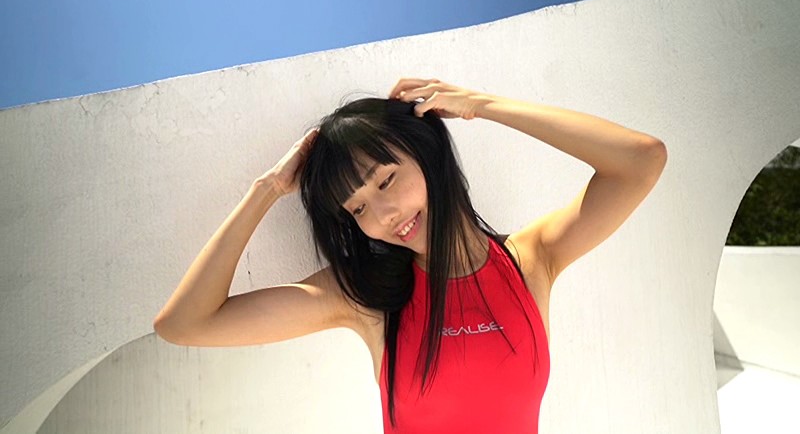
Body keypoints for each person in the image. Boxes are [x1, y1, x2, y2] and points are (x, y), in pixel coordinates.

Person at [154, 78, 667, 433]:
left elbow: (641, 160)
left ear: (425, 153)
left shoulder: (531, 260)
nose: (383, 214)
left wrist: (481, 104)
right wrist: (265, 190)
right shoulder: (368, 298)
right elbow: (185, 324)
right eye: (357, 207)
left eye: (385, 180)